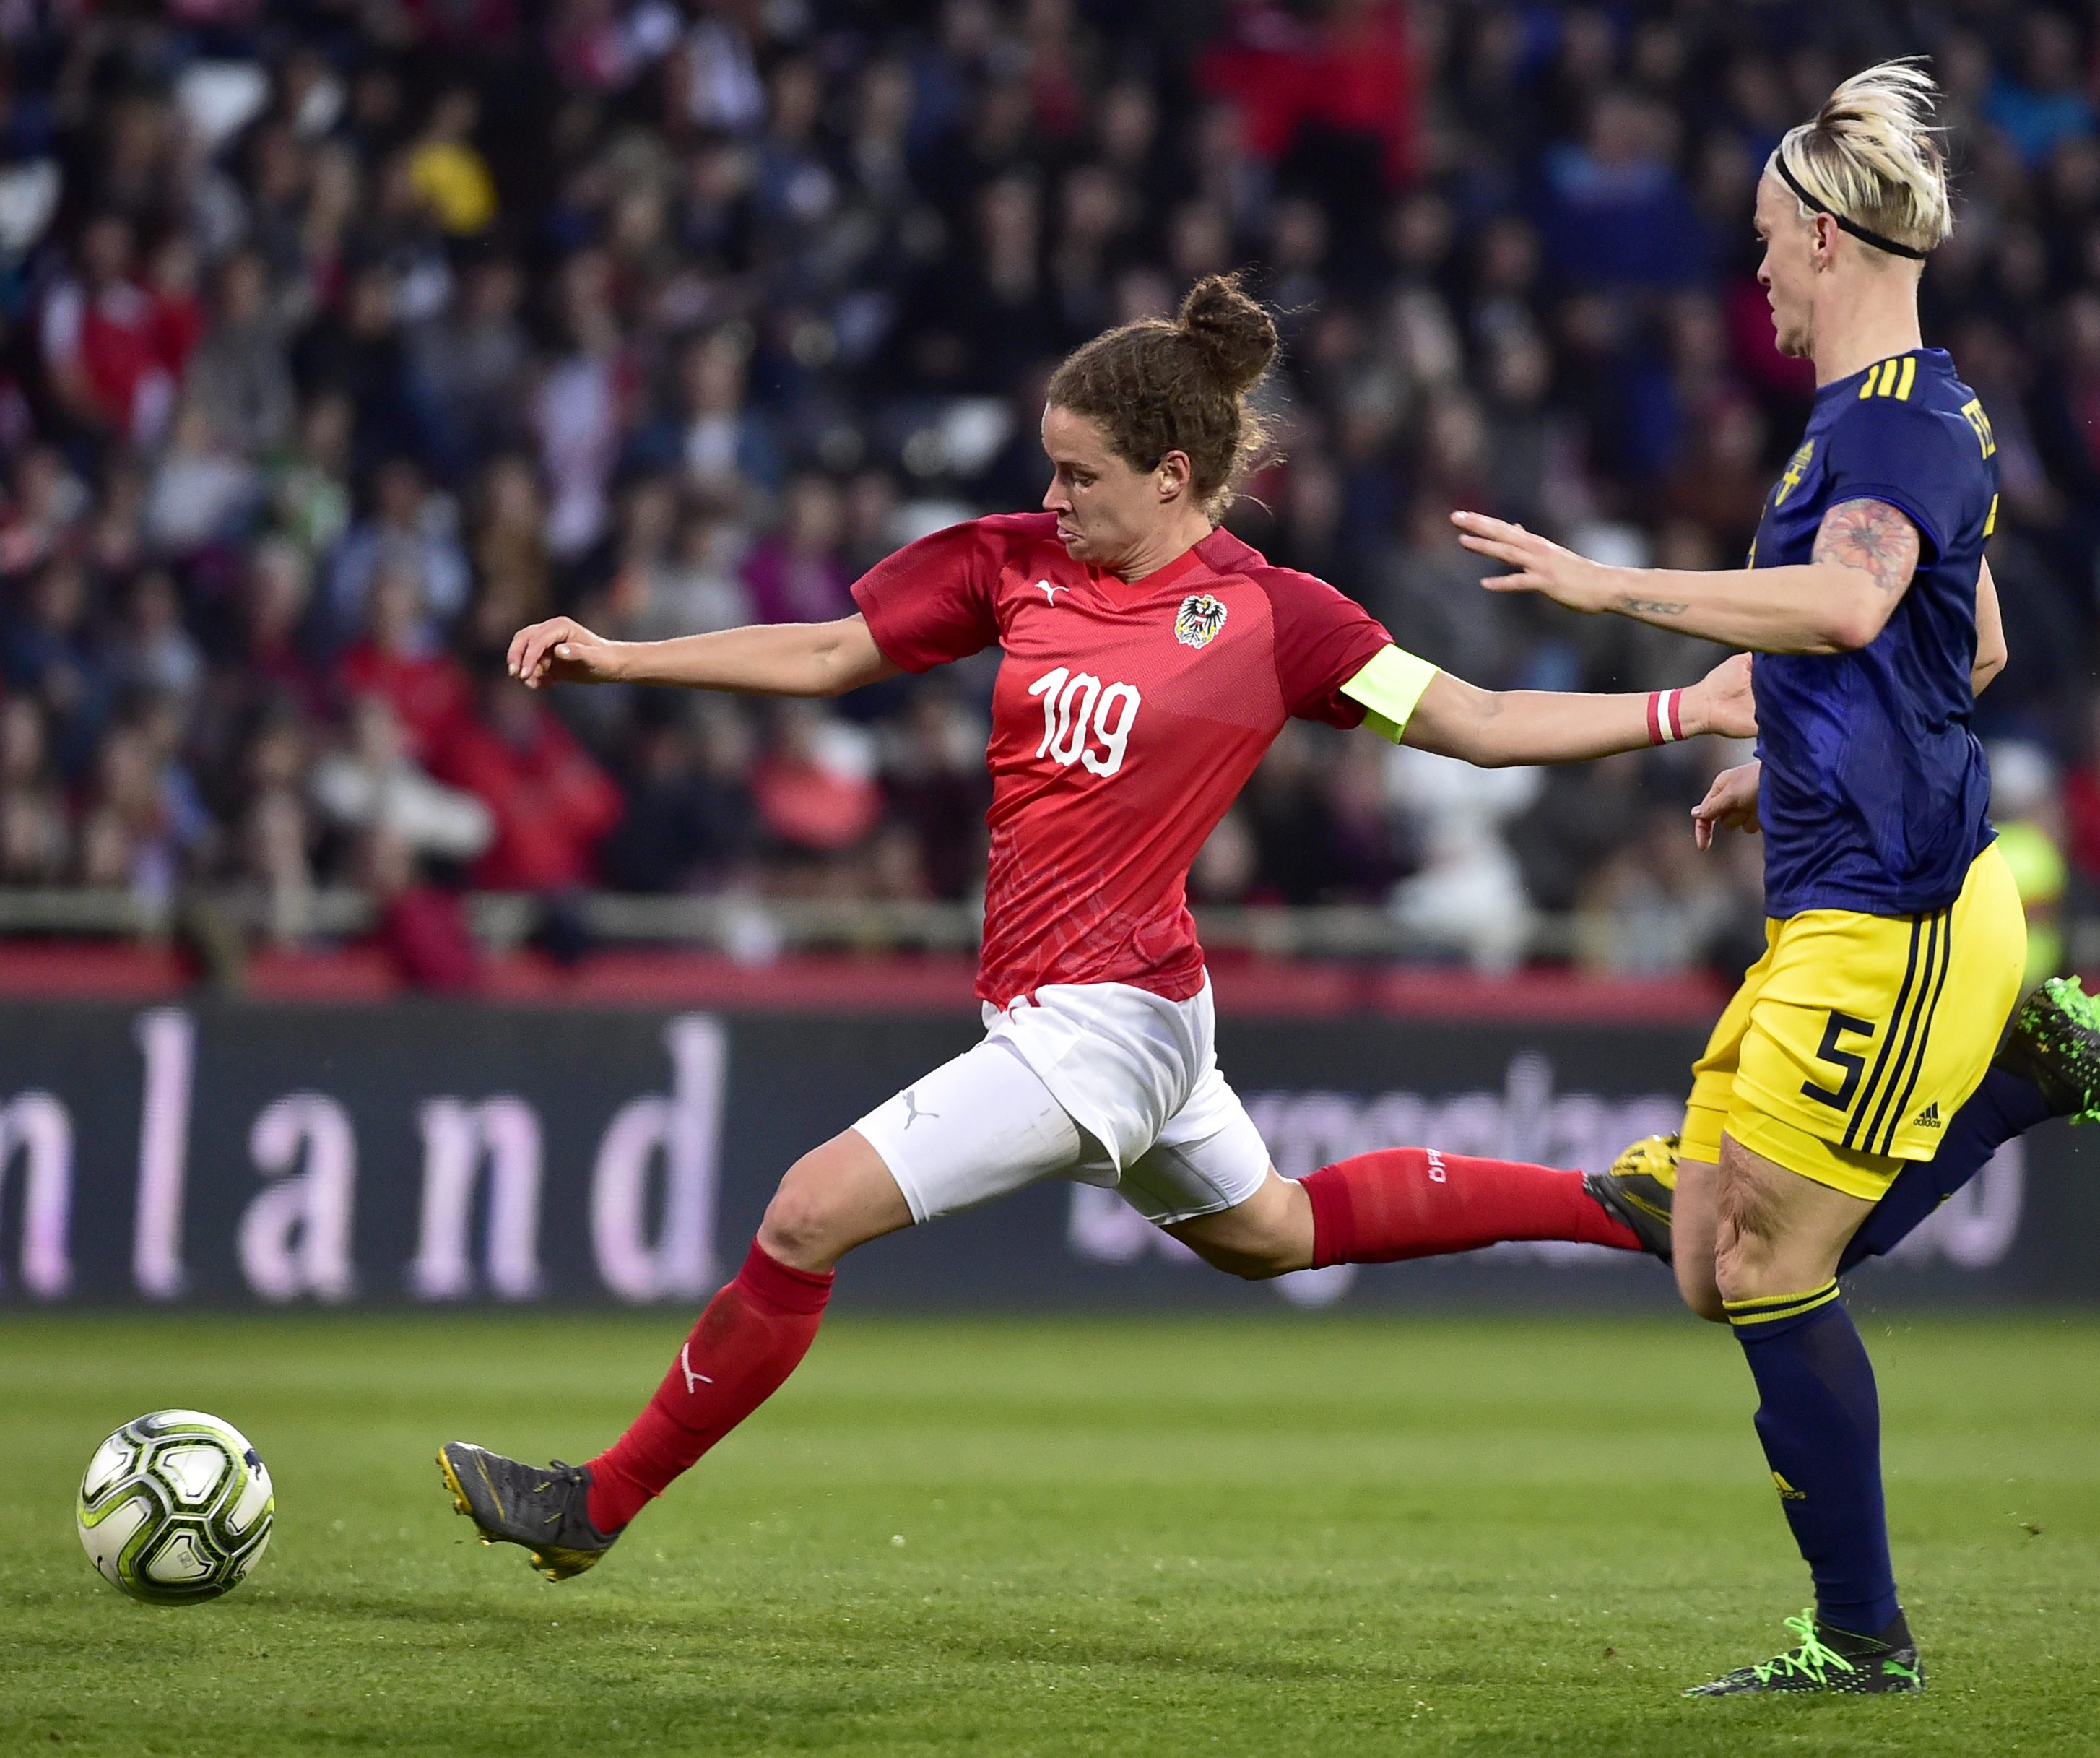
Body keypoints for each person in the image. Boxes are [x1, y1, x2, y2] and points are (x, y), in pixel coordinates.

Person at [435, 274, 1758, 1581]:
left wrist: (1682, 712)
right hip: (1132, 1006)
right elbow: (836, 653)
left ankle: (594, 1502)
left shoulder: (1278, 617)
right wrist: (624, 656)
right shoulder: (1012, 566)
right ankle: (1616, 1199)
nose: (1053, 498)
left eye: (1080, 476)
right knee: (1273, 1231)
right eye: (1050, 469)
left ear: (1171, 475)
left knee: (799, 1218)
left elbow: (1475, 720)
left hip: (1106, 1017)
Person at [1453, 62, 2100, 1696]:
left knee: (1766, 1263)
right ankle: (2021, 1076)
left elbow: (1859, 611)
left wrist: (1604, 584)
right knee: (1711, 1256)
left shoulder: (1881, 431)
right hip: (1843, 886)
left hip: (1900, 917)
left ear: (1821, 234)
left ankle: (1864, 1634)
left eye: (1761, 243)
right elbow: (1978, 640)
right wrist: (1792, 755)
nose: (1752, 275)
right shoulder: (1911, 414)